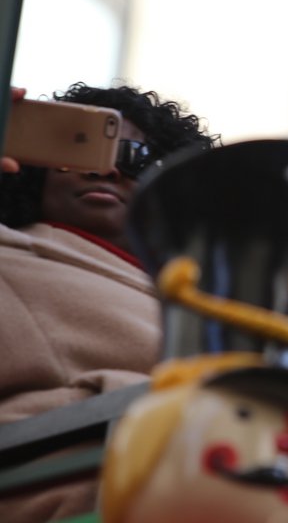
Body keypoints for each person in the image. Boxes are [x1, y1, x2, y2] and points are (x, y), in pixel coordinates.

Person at [0, 82, 219, 522]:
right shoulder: (8, 255)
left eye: (133, 159)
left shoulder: (213, 309)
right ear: (34, 170)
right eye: (76, 152)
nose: (103, 172)